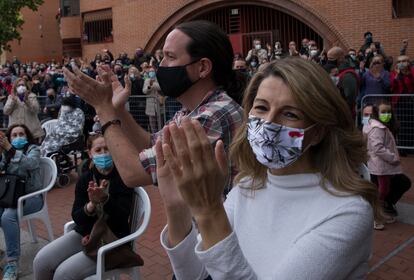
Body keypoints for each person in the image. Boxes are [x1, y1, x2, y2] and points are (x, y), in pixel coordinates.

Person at [156, 58, 379, 279]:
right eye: (261, 108)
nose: (269, 123)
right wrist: (177, 210)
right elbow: (194, 274)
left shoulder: (348, 212)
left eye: (290, 114)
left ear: (319, 131)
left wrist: (209, 211)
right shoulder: (247, 185)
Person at [63, 20, 243, 193]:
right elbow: (151, 144)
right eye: (162, 56)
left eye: (170, 57)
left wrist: (103, 108)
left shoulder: (212, 116)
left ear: (203, 67)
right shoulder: (193, 110)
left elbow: (134, 173)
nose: (161, 65)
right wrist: (118, 110)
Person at [33, 134, 133, 280]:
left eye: (107, 149)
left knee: (63, 274)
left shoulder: (123, 178)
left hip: (112, 240)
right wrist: (91, 205)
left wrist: (105, 199)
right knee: (41, 262)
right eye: (98, 150)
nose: (104, 153)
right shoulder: (85, 179)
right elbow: (77, 217)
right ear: (90, 153)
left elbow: (122, 218)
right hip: (85, 233)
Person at [0, 124, 43, 280]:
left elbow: (31, 164)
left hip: (32, 197)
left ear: (27, 135)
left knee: (7, 217)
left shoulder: (33, 150)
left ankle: (12, 263)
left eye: (21, 134)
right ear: (9, 138)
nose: (18, 137)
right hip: (9, 197)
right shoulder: (6, 153)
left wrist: (11, 150)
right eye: (14, 135)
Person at [362, 100, 404, 230]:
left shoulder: (381, 126)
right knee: (383, 190)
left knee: (384, 188)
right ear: (377, 113)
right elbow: (378, 148)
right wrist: (393, 158)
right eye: (383, 112)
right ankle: (376, 215)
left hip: (381, 165)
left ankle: (379, 212)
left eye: (388, 112)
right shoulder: (377, 128)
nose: (387, 114)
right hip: (380, 165)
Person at [390, 55, 414, 150]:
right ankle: (402, 147)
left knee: (411, 124)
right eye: (399, 62)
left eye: (404, 61)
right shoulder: (394, 73)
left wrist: (407, 75)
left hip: (410, 102)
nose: (401, 63)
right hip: (399, 103)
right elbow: (391, 86)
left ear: (408, 63)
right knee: (401, 124)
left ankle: (411, 146)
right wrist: (397, 76)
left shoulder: (412, 73)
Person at [327, 47, 359, 117]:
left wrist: (343, 113)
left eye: (332, 59)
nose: (329, 61)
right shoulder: (334, 71)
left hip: (344, 115)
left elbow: (350, 98)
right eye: (328, 58)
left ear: (341, 58)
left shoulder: (348, 75)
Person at [143, 66, 163, 133]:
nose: (151, 72)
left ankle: (161, 135)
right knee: (152, 124)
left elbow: (161, 87)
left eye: (152, 71)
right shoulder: (146, 80)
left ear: (155, 72)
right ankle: (154, 136)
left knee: (160, 122)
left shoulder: (159, 79)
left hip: (159, 104)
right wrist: (149, 87)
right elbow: (144, 91)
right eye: (150, 71)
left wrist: (153, 84)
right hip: (150, 105)